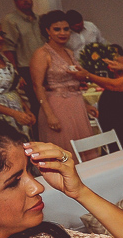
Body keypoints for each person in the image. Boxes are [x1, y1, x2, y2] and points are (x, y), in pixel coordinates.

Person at [30, 10, 96, 158]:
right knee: (67, 150)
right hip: (57, 105)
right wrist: (50, 115)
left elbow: (74, 81)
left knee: (84, 148)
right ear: (47, 31)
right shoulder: (42, 54)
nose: (63, 33)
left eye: (66, 29)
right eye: (57, 29)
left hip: (77, 104)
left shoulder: (69, 52)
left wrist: (86, 105)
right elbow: (37, 86)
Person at [1, 0, 41, 119]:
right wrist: (16, 73)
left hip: (43, 66)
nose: (26, 0)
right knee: (36, 103)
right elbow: (8, 48)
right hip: (26, 68)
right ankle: (38, 130)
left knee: (47, 100)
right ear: (15, 1)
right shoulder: (10, 20)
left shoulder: (38, 19)